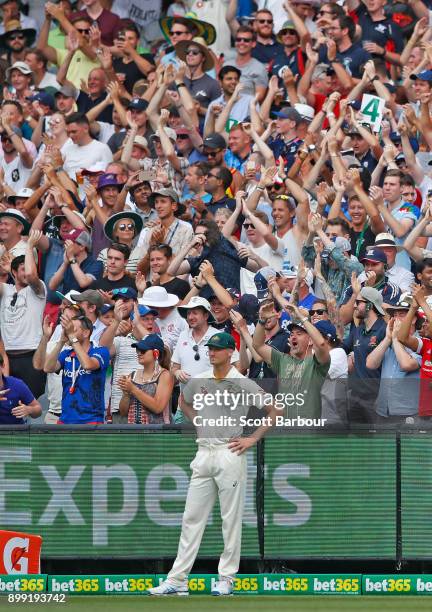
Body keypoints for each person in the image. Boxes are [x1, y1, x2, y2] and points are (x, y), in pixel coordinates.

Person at [148, 331, 275, 597]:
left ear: (231, 352)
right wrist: (199, 422)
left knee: (230, 520)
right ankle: (178, 579)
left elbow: (275, 410)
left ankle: (226, 578)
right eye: (210, 348)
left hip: (230, 452)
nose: (212, 352)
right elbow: (183, 401)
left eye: (217, 349)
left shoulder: (242, 382)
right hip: (203, 453)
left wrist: (251, 439)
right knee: (191, 518)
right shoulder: (201, 379)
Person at [253, 300, 330, 419]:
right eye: (291, 334)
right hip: (282, 431)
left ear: (310, 340)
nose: (293, 336)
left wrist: (301, 316)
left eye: (299, 334)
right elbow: (258, 345)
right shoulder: (282, 360)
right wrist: (262, 320)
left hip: (306, 432)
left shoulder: (317, 364)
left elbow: (321, 344)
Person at [0, 231, 47, 398]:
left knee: (32, 402)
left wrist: (29, 246)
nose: (26, 271)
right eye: (21, 269)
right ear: (14, 272)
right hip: (7, 358)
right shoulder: (6, 290)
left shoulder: (38, 289)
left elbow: (30, 275)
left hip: (31, 355)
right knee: (8, 403)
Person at [43, 313, 110, 424]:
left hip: (91, 421)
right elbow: (48, 368)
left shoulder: (101, 351)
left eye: (73, 329)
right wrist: (61, 342)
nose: (68, 332)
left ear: (86, 333)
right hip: (65, 419)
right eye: (67, 329)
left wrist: (72, 338)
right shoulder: (67, 353)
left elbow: (87, 365)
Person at [343, 286, 387, 424]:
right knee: (355, 443)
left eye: (358, 302)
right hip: (355, 396)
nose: (355, 307)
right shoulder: (358, 329)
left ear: (369, 305)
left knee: (374, 443)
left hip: (374, 398)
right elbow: (341, 347)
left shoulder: (384, 330)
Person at [118, 334, 173, 424]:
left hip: (158, 434)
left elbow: (158, 407)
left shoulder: (165, 375)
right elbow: (123, 413)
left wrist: (133, 389)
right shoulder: (132, 376)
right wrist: (126, 395)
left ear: (156, 353)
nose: (139, 353)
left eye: (143, 350)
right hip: (135, 434)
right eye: (138, 350)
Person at [0, 353, 41, 424]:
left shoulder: (16, 384)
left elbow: (38, 410)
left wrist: (29, 410)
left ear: (2, 366)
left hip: (16, 432)